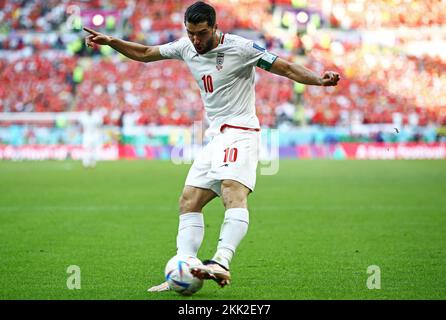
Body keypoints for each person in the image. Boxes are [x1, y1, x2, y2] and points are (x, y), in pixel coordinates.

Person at [84, 1, 340, 292]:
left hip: (242, 131)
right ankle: (184, 267)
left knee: (233, 190)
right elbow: (145, 53)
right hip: (215, 136)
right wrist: (111, 41)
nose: (196, 40)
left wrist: (319, 80)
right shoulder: (185, 47)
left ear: (215, 27)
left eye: (202, 33)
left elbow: (286, 67)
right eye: (191, 33)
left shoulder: (241, 48)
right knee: (188, 200)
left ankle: (221, 261)